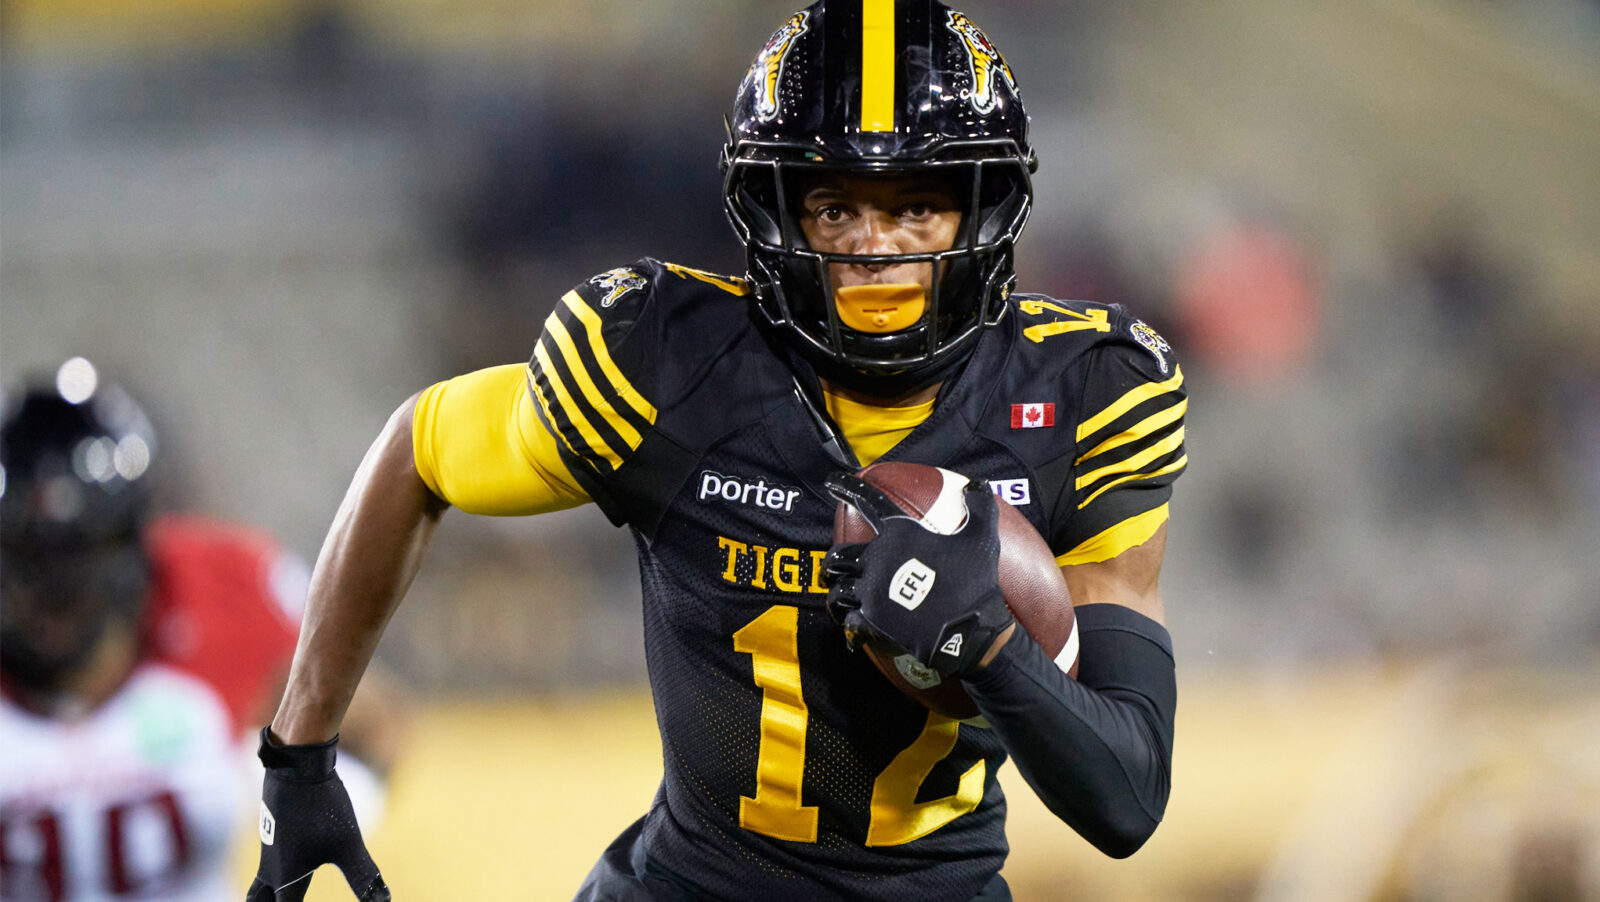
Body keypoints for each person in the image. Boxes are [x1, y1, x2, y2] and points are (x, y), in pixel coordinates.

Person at [251, 1, 1187, 900]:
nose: (875, 248)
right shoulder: (661, 359)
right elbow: (419, 446)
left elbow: (1127, 798)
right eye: (834, 208)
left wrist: (984, 647)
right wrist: (299, 759)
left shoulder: (1086, 395)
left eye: (917, 207)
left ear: (985, 211)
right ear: (772, 213)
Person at [0, 358, 407, 902]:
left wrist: (311, 801)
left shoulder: (221, 592)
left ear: (130, 548)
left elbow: (376, 727)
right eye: (26, 555)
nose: (50, 591)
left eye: (74, 557)